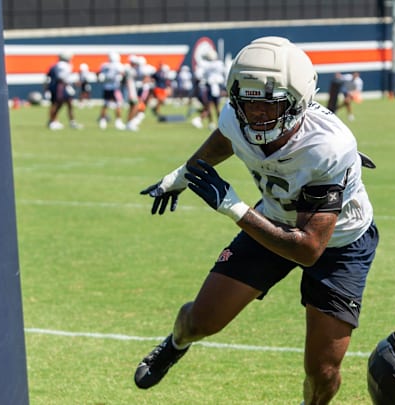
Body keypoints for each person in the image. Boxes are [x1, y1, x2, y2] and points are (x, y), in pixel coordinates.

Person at [134, 36, 378, 405]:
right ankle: (175, 343)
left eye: (270, 105)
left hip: (338, 243)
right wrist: (182, 175)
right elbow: (226, 138)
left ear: (299, 102)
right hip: (271, 220)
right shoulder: (237, 116)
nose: (257, 114)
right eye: (249, 103)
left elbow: (310, 248)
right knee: (201, 320)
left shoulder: (328, 148)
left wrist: (234, 207)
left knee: (323, 370)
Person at [44, 52, 82, 130]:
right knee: (57, 104)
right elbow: (62, 78)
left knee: (68, 104)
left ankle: (69, 121)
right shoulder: (63, 65)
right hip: (60, 87)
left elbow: (48, 77)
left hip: (61, 86)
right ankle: (53, 121)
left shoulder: (56, 65)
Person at [96, 52, 126, 130]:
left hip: (106, 87)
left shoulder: (104, 65)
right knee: (118, 105)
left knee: (105, 105)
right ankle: (118, 121)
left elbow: (99, 74)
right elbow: (122, 75)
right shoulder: (118, 66)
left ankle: (102, 121)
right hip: (115, 87)